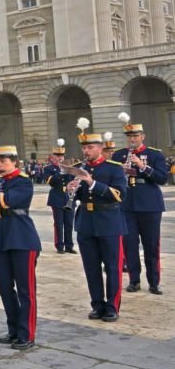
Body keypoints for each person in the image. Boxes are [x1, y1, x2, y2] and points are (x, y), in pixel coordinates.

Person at [0, 143, 41, 350]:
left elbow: (7, 202)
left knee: (26, 290)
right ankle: (13, 329)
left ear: (14, 162)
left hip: (23, 240)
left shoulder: (23, 182)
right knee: (5, 287)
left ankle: (27, 333)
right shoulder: (1, 183)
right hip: (3, 240)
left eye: (4, 161)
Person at [68, 126, 127, 322]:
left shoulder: (114, 168)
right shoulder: (79, 167)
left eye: (90, 147)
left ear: (100, 148)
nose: (86, 151)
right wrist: (70, 189)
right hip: (86, 221)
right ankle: (97, 304)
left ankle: (112, 307)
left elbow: (119, 195)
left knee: (112, 267)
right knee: (91, 267)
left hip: (109, 222)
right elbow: (73, 197)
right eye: (84, 148)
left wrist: (92, 183)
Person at [112, 118, 167, 295]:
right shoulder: (119, 155)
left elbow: (162, 178)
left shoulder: (155, 154)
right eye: (129, 136)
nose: (132, 139)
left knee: (151, 244)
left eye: (135, 136)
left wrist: (143, 166)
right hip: (127, 205)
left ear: (142, 136)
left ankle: (154, 281)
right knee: (130, 245)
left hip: (150, 204)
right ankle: (134, 280)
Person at [43, 143, 76, 254]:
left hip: (69, 197)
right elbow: (50, 182)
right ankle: (59, 245)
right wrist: (61, 171)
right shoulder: (48, 168)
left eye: (61, 155)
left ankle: (69, 245)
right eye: (57, 155)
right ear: (53, 156)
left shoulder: (69, 167)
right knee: (58, 223)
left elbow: (74, 179)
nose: (60, 157)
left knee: (69, 223)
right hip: (56, 197)